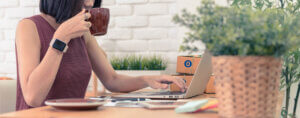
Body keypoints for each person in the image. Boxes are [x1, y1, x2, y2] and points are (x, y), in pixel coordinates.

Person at [15, 0, 187, 111]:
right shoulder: (29, 27)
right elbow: (33, 97)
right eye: (82, 2)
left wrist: (147, 80)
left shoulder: (84, 33)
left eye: (91, 4)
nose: (89, 6)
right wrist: (61, 38)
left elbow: (112, 80)